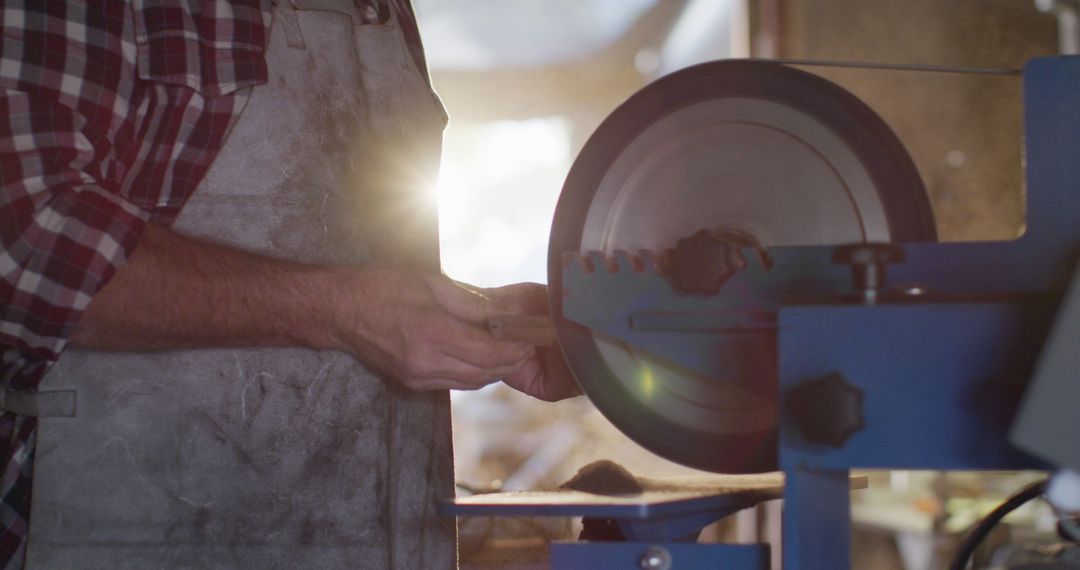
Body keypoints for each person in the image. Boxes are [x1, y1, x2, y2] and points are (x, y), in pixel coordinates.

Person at [0, 0, 577, 566]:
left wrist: (485, 320)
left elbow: (344, 274)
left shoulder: (388, 11)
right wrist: (348, 313)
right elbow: (26, 243)